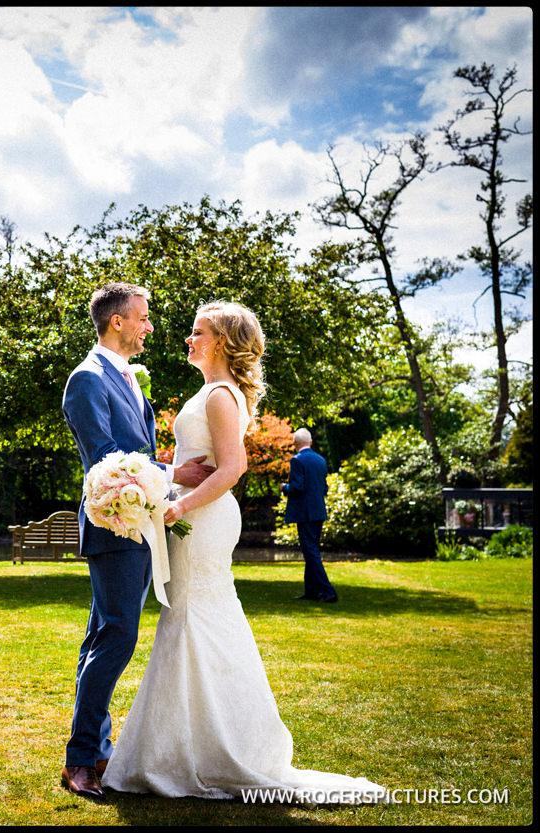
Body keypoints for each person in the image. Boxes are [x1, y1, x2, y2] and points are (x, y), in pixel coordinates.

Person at [100, 301, 385, 802]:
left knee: (194, 616)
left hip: (202, 518)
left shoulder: (220, 396)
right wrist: (152, 476)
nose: (187, 339)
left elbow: (233, 468)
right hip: (195, 514)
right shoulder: (214, 392)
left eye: (197, 332)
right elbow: (202, 457)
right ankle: (185, 747)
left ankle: (202, 752)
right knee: (190, 618)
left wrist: (179, 506)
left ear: (224, 342)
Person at [59, 282, 215, 800]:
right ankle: (81, 759)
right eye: (142, 318)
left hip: (140, 523)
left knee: (103, 637)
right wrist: (175, 472)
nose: (150, 326)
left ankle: (95, 750)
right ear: (117, 322)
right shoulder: (86, 380)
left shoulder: (125, 376)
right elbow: (106, 456)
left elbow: (136, 446)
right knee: (118, 636)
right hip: (114, 526)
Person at [283, 428, 337, 603]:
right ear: (311, 442)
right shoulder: (321, 460)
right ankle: (312, 590)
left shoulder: (297, 460)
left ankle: (328, 591)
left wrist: (285, 487)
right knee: (310, 551)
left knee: (311, 552)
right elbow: (325, 488)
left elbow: (297, 487)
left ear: (295, 443)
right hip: (318, 511)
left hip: (305, 513)